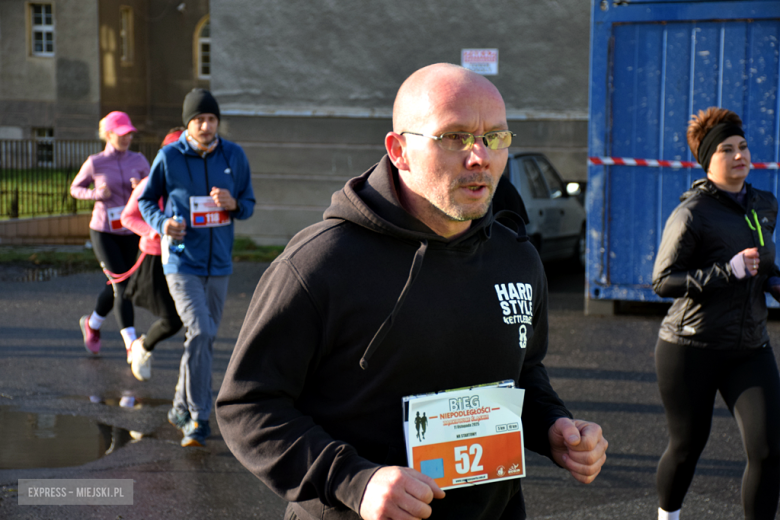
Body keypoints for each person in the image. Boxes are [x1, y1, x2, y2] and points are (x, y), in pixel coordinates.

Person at [216, 63, 607, 520]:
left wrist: (552, 425)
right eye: (455, 137)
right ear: (399, 151)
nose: (479, 157)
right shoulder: (320, 263)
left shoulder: (517, 256)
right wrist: (356, 482)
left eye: (494, 137)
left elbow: (524, 372)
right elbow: (248, 405)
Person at [652, 107, 780, 520]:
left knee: (769, 450)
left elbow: (764, 264)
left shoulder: (764, 204)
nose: (739, 155)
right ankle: (667, 516)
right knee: (687, 446)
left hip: (749, 346)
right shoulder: (691, 213)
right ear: (708, 160)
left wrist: (774, 281)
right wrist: (728, 271)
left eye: (743, 146)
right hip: (690, 347)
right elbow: (663, 281)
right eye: (726, 149)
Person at [138, 89, 255, 448]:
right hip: (181, 261)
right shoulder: (169, 156)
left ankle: (178, 406)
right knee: (201, 331)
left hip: (218, 263)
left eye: (211, 119)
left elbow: (249, 204)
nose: (206, 126)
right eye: (199, 120)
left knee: (202, 338)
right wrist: (163, 224)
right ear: (188, 123)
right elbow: (145, 200)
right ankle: (198, 417)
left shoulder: (234, 155)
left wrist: (233, 204)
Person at [70, 111, 149, 357]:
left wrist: (141, 188)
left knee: (120, 283)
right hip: (104, 231)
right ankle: (131, 344)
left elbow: (154, 189)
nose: (127, 138)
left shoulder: (139, 160)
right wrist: (96, 194)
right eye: (121, 134)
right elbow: (75, 188)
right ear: (108, 134)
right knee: (122, 284)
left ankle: (92, 323)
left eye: (129, 134)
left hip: (132, 230)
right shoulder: (95, 162)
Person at [119, 128, 186, 382]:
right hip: (155, 257)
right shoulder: (150, 183)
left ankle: (191, 375)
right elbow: (128, 217)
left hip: (185, 256)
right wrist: (155, 230)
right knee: (173, 319)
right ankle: (142, 347)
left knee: (192, 317)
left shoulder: (194, 183)